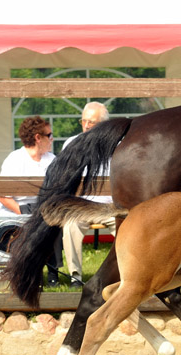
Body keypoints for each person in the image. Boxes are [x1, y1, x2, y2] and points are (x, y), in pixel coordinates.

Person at [0, 115, 63, 286]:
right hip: (14, 212)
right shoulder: (15, 159)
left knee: (53, 224)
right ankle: (27, 275)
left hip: (42, 210)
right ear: (38, 138)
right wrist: (22, 211)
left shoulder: (51, 159)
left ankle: (53, 274)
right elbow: (2, 194)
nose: (52, 139)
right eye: (49, 135)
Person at [62, 102, 115, 287]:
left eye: (91, 122)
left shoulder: (115, 144)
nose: (85, 126)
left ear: (102, 124)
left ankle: (125, 275)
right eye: (83, 121)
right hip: (81, 205)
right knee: (70, 226)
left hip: (109, 207)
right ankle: (75, 277)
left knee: (129, 228)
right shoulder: (71, 143)